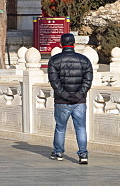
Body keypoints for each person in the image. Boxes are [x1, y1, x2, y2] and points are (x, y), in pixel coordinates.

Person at [47, 33, 92, 164]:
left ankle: (59, 152)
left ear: (61, 45)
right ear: (74, 44)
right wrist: (78, 95)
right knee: (81, 128)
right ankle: (83, 154)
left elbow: (54, 82)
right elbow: (87, 81)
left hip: (61, 101)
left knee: (60, 127)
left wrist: (65, 96)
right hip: (80, 101)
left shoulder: (54, 61)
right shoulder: (85, 60)